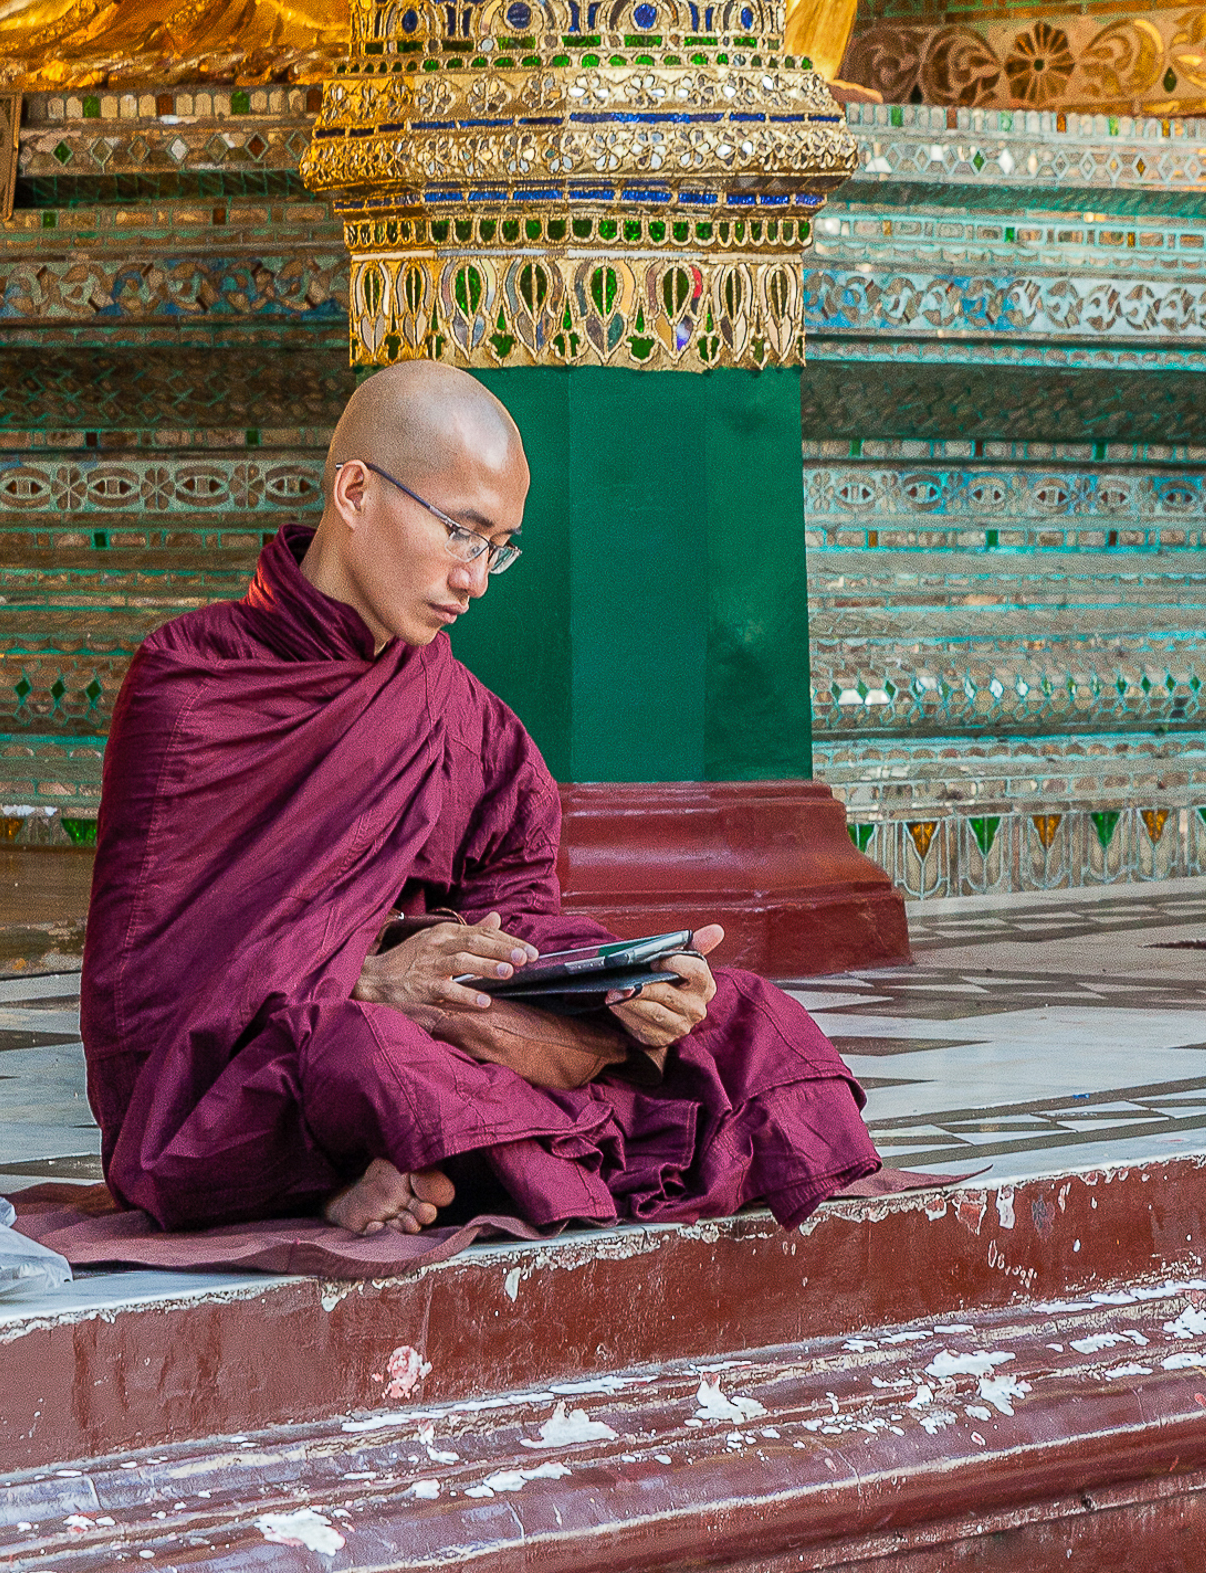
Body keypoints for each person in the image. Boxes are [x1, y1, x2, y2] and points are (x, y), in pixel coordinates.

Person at [80, 361, 883, 1237]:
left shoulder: (467, 721)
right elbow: (145, 998)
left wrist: (613, 991)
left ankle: (423, 1164)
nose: (478, 579)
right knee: (372, 1058)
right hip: (267, 1067)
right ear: (355, 491)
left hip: (450, 1032)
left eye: (498, 546)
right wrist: (366, 979)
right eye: (462, 533)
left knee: (745, 1014)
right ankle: (403, 1162)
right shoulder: (195, 686)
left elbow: (515, 915)